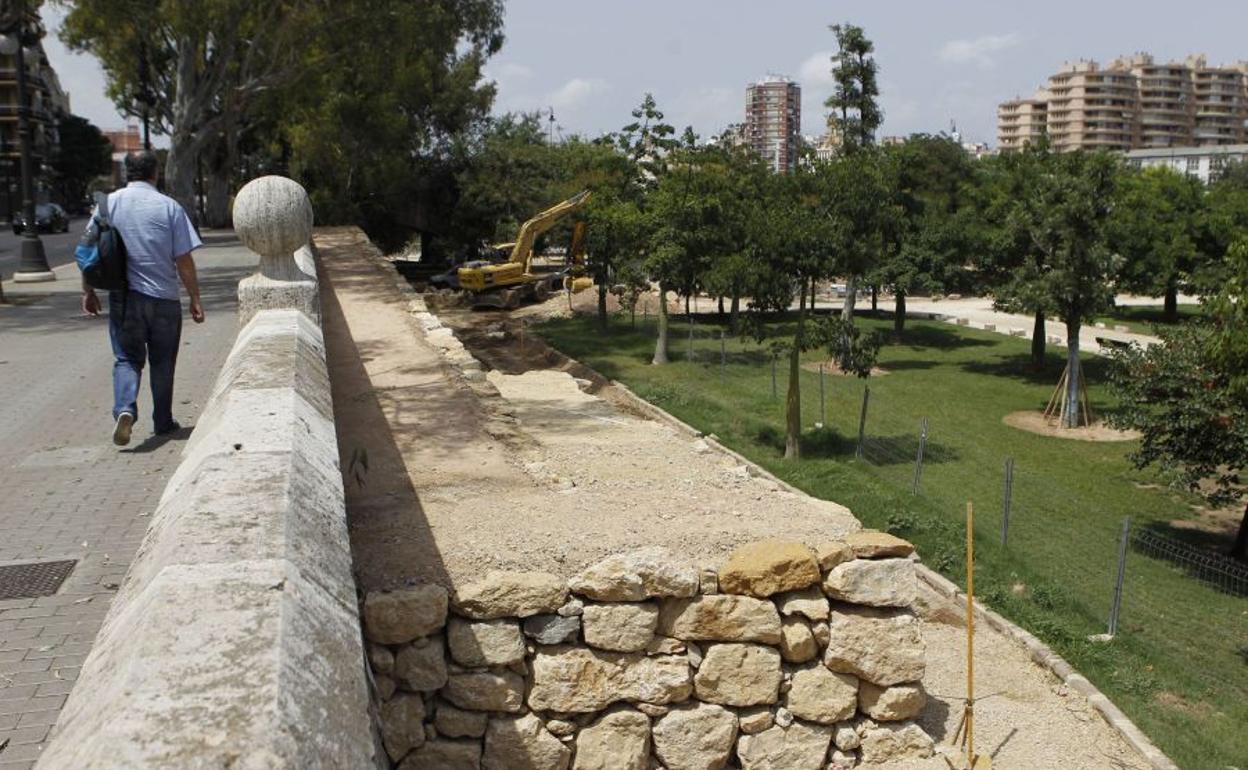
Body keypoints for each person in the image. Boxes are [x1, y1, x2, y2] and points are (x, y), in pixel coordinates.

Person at [82, 151, 205, 446]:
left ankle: (125, 408)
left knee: (126, 358)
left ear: (127, 172)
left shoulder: (107, 205)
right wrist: (195, 298)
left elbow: (89, 252)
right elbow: (184, 259)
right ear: (155, 172)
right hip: (164, 299)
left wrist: (87, 291)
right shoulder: (168, 207)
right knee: (163, 362)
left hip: (124, 299)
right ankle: (162, 422)